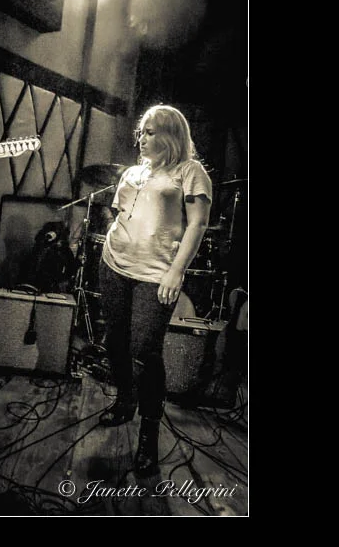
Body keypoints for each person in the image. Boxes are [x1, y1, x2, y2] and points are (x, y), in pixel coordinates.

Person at [97, 104, 212, 477]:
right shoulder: (134, 172)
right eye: (141, 132)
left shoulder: (190, 172)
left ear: (171, 135)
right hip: (114, 265)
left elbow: (197, 225)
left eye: (150, 132)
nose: (142, 139)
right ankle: (124, 399)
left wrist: (176, 271)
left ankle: (148, 434)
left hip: (155, 274)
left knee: (144, 351)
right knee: (114, 341)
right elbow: (118, 211)